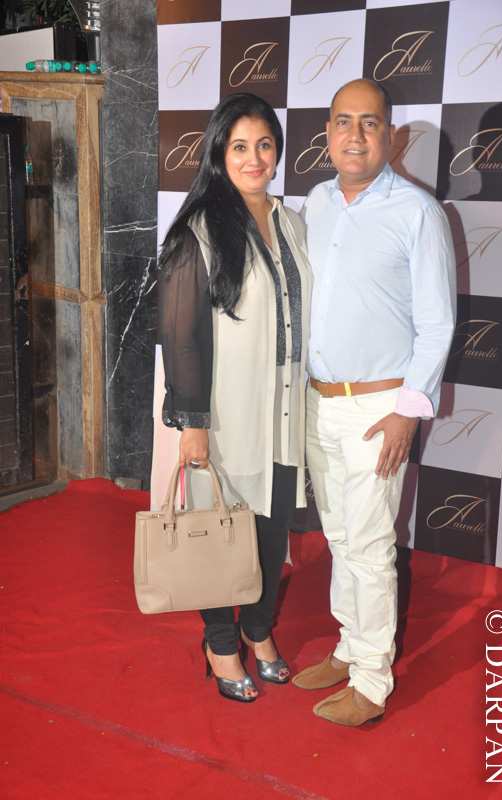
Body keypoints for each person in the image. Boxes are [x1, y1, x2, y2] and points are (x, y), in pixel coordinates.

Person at [292, 79, 456, 726]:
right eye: (343, 121)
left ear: (390, 135)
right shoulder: (315, 202)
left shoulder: (418, 212)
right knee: (340, 537)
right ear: (328, 132)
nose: (354, 135)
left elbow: (437, 324)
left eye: (369, 122)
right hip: (318, 403)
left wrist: (406, 412)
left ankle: (371, 681)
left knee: (368, 545)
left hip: (378, 410)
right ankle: (348, 647)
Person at [157, 93, 312, 703]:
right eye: (240, 146)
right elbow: (181, 337)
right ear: (219, 153)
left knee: (272, 533)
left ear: (278, 151)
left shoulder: (292, 222)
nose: (254, 158)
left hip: (285, 411)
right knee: (221, 534)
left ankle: (259, 628)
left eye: (264, 145)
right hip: (226, 417)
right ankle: (221, 643)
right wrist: (192, 422)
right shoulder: (198, 230)